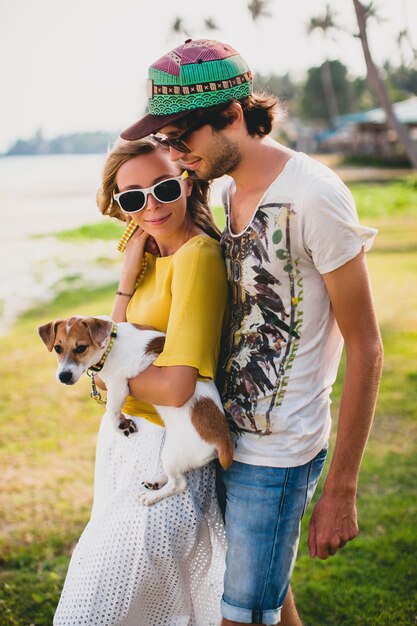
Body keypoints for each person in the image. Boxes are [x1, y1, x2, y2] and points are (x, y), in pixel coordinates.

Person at [119, 39, 384, 626]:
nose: (175, 154)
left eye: (182, 138)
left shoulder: (316, 196)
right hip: (224, 437)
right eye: (166, 140)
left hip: (280, 452)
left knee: (241, 617)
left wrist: (342, 486)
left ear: (233, 116)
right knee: (270, 605)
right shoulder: (227, 189)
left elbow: (366, 346)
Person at [53, 137, 229, 626]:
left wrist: (108, 382)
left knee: (104, 600)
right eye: (132, 197)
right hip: (127, 445)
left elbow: (174, 387)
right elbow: (106, 350)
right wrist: (127, 277)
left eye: (163, 187)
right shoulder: (151, 254)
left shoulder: (196, 256)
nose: (150, 206)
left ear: (186, 181)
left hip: (165, 447)